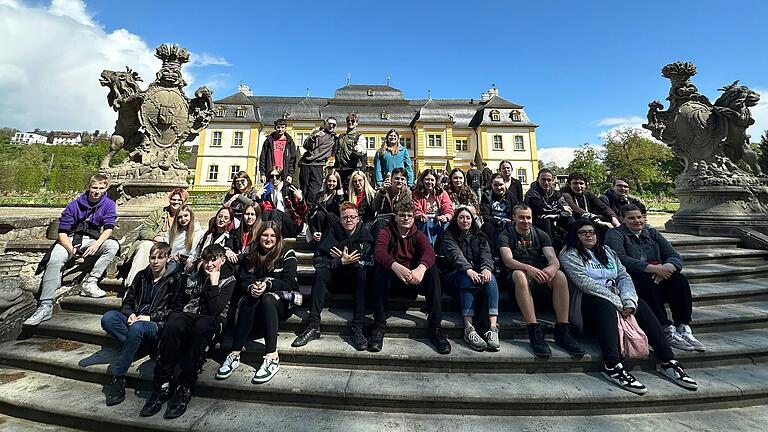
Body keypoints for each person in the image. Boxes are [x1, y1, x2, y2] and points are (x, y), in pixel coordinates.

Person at [560, 219, 699, 394]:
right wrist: (617, 302)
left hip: (617, 299)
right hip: (587, 305)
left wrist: (628, 300)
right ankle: (612, 365)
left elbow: (623, 276)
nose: (589, 235)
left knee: (639, 303)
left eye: (592, 232)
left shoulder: (607, 252)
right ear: (575, 235)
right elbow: (584, 282)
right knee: (604, 304)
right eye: (583, 232)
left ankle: (669, 361)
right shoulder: (569, 253)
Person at [141, 244, 237, 419]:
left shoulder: (229, 280)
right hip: (191, 314)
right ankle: (163, 382)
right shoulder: (195, 275)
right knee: (173, 324)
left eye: (213, 260)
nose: (209, 264)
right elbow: (182, 301)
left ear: (222, 260)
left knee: (202, 328)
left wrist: (214, 284)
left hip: (213, 319)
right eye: (206, 260)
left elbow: (216, 310)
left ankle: (184, 386)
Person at [605, 204, 703, 351]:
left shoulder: (651, 232)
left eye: (639, 217)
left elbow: (673, 255)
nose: (637, 221)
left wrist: (667, 269)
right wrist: (652, 269)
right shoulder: (615, 234)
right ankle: (665, 327)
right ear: (623, 220)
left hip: (659, 272)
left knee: (679, 280)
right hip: (634, 275)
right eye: (631, 218)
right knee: (646, 282)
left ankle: (683, 326)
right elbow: (620, 258)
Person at [25, 174, 120, 326]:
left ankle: (91, 282)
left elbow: (109, 227)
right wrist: (70, 250)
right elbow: (62, 232)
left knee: (112, 246)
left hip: (91, 239)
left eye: (101, 188)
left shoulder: (108, 204)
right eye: (94, 188)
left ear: (106, 189)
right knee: (55, 258)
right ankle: (45, 305)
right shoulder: (74, 205)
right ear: (89, 188)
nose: (97, 191)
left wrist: (97, 245)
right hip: (69, 239)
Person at [216, 222, 301, 383]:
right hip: (256, 301)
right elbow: (245, 278)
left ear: (277, 238)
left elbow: (289, 282)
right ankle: (235, 353)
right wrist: (251, 287)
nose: (268, 239)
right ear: (259, 236)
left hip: (281, 301)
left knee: (267, 298)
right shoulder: (252, 254)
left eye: (272, 236)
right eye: (265, 235)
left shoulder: (287, 253)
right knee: (251, 298)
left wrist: (268, 285)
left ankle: (272, 356)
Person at [101, 242, 184, 406]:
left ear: (167, 258)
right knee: (108, 318)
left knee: (138, 328)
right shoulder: (141, 276)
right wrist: (130, 314)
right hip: (136, 319)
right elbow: (127, 302)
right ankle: (137, 347)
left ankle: (118, 376)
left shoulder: (175, 279)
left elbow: (176, 311)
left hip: (156, 325)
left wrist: (150, 317)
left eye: (160, 258)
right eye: (152, 257)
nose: (155, 261)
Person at [498, 204, 584, 358]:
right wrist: (528, 268)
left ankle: (563, 329)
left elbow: (553, 258)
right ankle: (534, 329)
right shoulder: (506, 235)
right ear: (514, 218)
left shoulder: (540, 234)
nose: (525, 221)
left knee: (559, 276)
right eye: (521, 217)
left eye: (528, 217)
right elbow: (508, 260)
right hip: (515, 278)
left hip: (539, 275)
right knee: (519, 274)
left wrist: (552, 268)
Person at [292, 202, 375, 350]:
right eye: (345, 218)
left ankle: (357, 328)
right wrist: (339, 261)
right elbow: (317, 260)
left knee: (363, 273)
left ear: (358, 219)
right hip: (335, 281)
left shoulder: (365, 236)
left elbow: (371, 263)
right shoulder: (332, 233)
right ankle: (313, 326)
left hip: (356, 283)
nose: (349, 220)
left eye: (352, 217)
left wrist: (351, 263)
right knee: (320, 273)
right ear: (340, 220)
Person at [372, 200, 450, 354]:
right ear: (395, 217)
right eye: (402, 215)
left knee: (433, 271)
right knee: (380, 270)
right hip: (393, 281)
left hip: (414, 280)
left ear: (414, 218)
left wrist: (420, 269)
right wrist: (395, 266)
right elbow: (379, 252)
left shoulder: (419, 235)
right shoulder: (386, 232)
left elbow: (429, 252)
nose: (405, 218)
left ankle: (435, 327)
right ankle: (379, 326)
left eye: (409, 215)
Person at [441, 207, 499, 351]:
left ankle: (493, 328)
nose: (465, 220)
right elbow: (456, 256)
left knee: (491, 278)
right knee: (468, 280)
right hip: (454, 275)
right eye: (461, 217)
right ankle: (469, 329)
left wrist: (486, 268)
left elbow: (486, 253)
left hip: (478, 273)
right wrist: (468, 270)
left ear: (472, 220)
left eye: (468, 217)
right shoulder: (449, 235)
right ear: (456, 219)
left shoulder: (480, 236)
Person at [122, 188, 188, 287]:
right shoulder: (158, 213)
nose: (176, 202)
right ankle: (132, 286)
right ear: (169, 200)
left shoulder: (187, 216)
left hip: (173, 249)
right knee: (146, 246)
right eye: (173, 199)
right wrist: (156, 237)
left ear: (184, 202)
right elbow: (144, 230)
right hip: (154, 244)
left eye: (179, 200)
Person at [524, 169, 574, 249]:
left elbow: (568, 211)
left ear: (553, 180)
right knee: (545, 220)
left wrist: (555, 215)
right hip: (536, 221)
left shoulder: (556, 193)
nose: (546, 182)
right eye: (543, 179)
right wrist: (560, 208)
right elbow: (541, 209)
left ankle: (573, 247)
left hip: (554, 218)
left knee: (570, 220)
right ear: (538, 179)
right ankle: (549, 248)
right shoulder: (532, 193)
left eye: (549, 180)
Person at [299, 117, 338, 207]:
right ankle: (302, 213)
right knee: (304, 190)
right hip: (307, 164)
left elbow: (335, 152)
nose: (331, 126)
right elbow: (305, 145)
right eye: (329, 124)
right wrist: (314, 137)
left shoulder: (334, 139)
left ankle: (309, 211)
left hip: (318, 165)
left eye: (334, 125)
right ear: (326, 124)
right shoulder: (316, 132)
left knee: (314, 192)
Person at [259, 168, 308, 238]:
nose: (274, 179)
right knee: (266, 212)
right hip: (277, 222)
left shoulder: (290, 189)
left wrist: (300, 200)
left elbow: (303, 212)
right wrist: (259, 199)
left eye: (277, 176)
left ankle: (275, 239)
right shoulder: (269, 193)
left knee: (275, 212)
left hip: (293, 225)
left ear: (281, 177)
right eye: (271, 176)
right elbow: (266, 209)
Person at [479, 173, 520, 252]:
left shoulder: (511, 196)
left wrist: (510, 220)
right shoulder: (487, 195)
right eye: (496, 185)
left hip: (508, 221)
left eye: (501, 185)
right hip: (493, 222)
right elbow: (485, 214)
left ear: (505, 184)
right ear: (492, 185)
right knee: (487, 227)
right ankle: (493, 253)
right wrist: (498, 222)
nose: (499, 188)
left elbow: (516, 212)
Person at [412, 169, 454, 245]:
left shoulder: (442, 193)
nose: (430, 182)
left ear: (436, 181)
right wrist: (419, 215)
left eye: (432, 180)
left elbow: (447, 206)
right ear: (422, 180)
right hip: (424, 220)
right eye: (427, 179)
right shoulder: (416, 193)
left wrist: (446, 216)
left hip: (438, 219)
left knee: (445, 224)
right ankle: (429, 249)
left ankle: (443, 251)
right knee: (426, 224)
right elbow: (416, 208)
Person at [307, 170, 344, 242]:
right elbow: (312, 215)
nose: (331, 183)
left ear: (338, 182)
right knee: (319, 214)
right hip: (322, 226)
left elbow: (341, 211)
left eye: (334, 181)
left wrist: (340, 197)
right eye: (329, 181)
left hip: (336, 225)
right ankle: (320, 238)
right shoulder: (320, 195)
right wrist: (313, 231)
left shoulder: (341, 195)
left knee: (329, 215)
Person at [333, 112, 367, 190]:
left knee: (351, 193)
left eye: (352, 121)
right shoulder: (341, 136)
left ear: (356, 123)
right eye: (348, 121)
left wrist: (356, 149)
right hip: (339, 170)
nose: (350, 122)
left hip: (352, 170)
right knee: (339, 194)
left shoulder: (359, 136)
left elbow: (362, 150)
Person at [258, 119, 297, 185]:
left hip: (284, 174)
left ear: (285, 128)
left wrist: (290, 174)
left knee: (283, 194)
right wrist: (262, 173)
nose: (280, 129)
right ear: (275, 128)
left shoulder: (290, 142)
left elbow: (292, 160)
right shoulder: (268, 141)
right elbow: (263, 158)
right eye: (278, 127)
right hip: (271, 173)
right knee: (269, 194)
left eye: (282, 127)